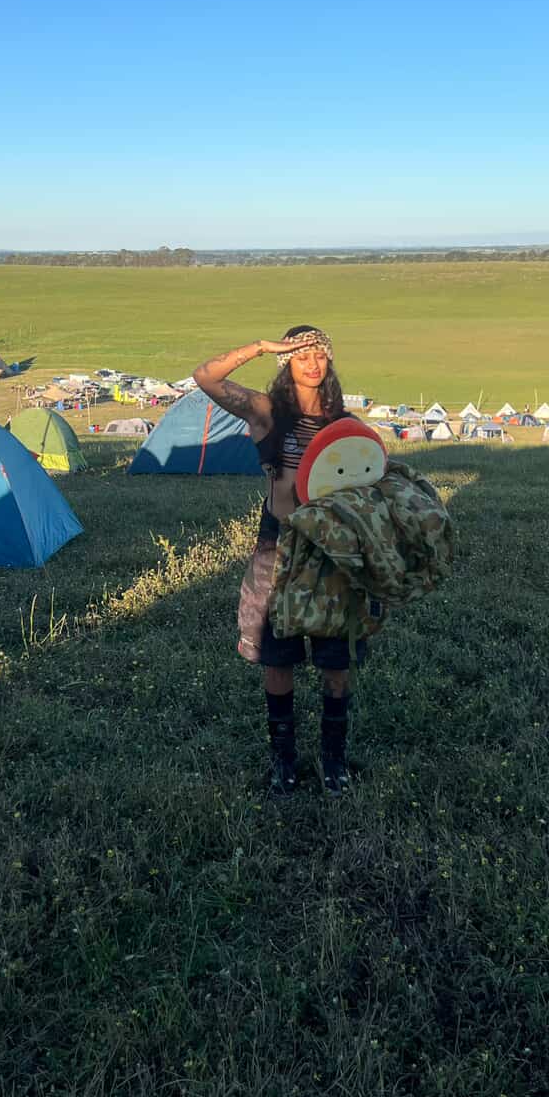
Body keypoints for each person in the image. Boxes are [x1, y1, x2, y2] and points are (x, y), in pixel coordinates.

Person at [192, 325, 364, 796]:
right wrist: (262, 347)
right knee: (277, 657)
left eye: (319, 355)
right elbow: (205, 377)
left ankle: (333, 759)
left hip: (332, 552)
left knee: (336, 661)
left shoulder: (344, 424)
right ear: (286, 362)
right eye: (300, 355)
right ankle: (283, 761)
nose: (311, 363)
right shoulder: (267, 412)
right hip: (279, 547)